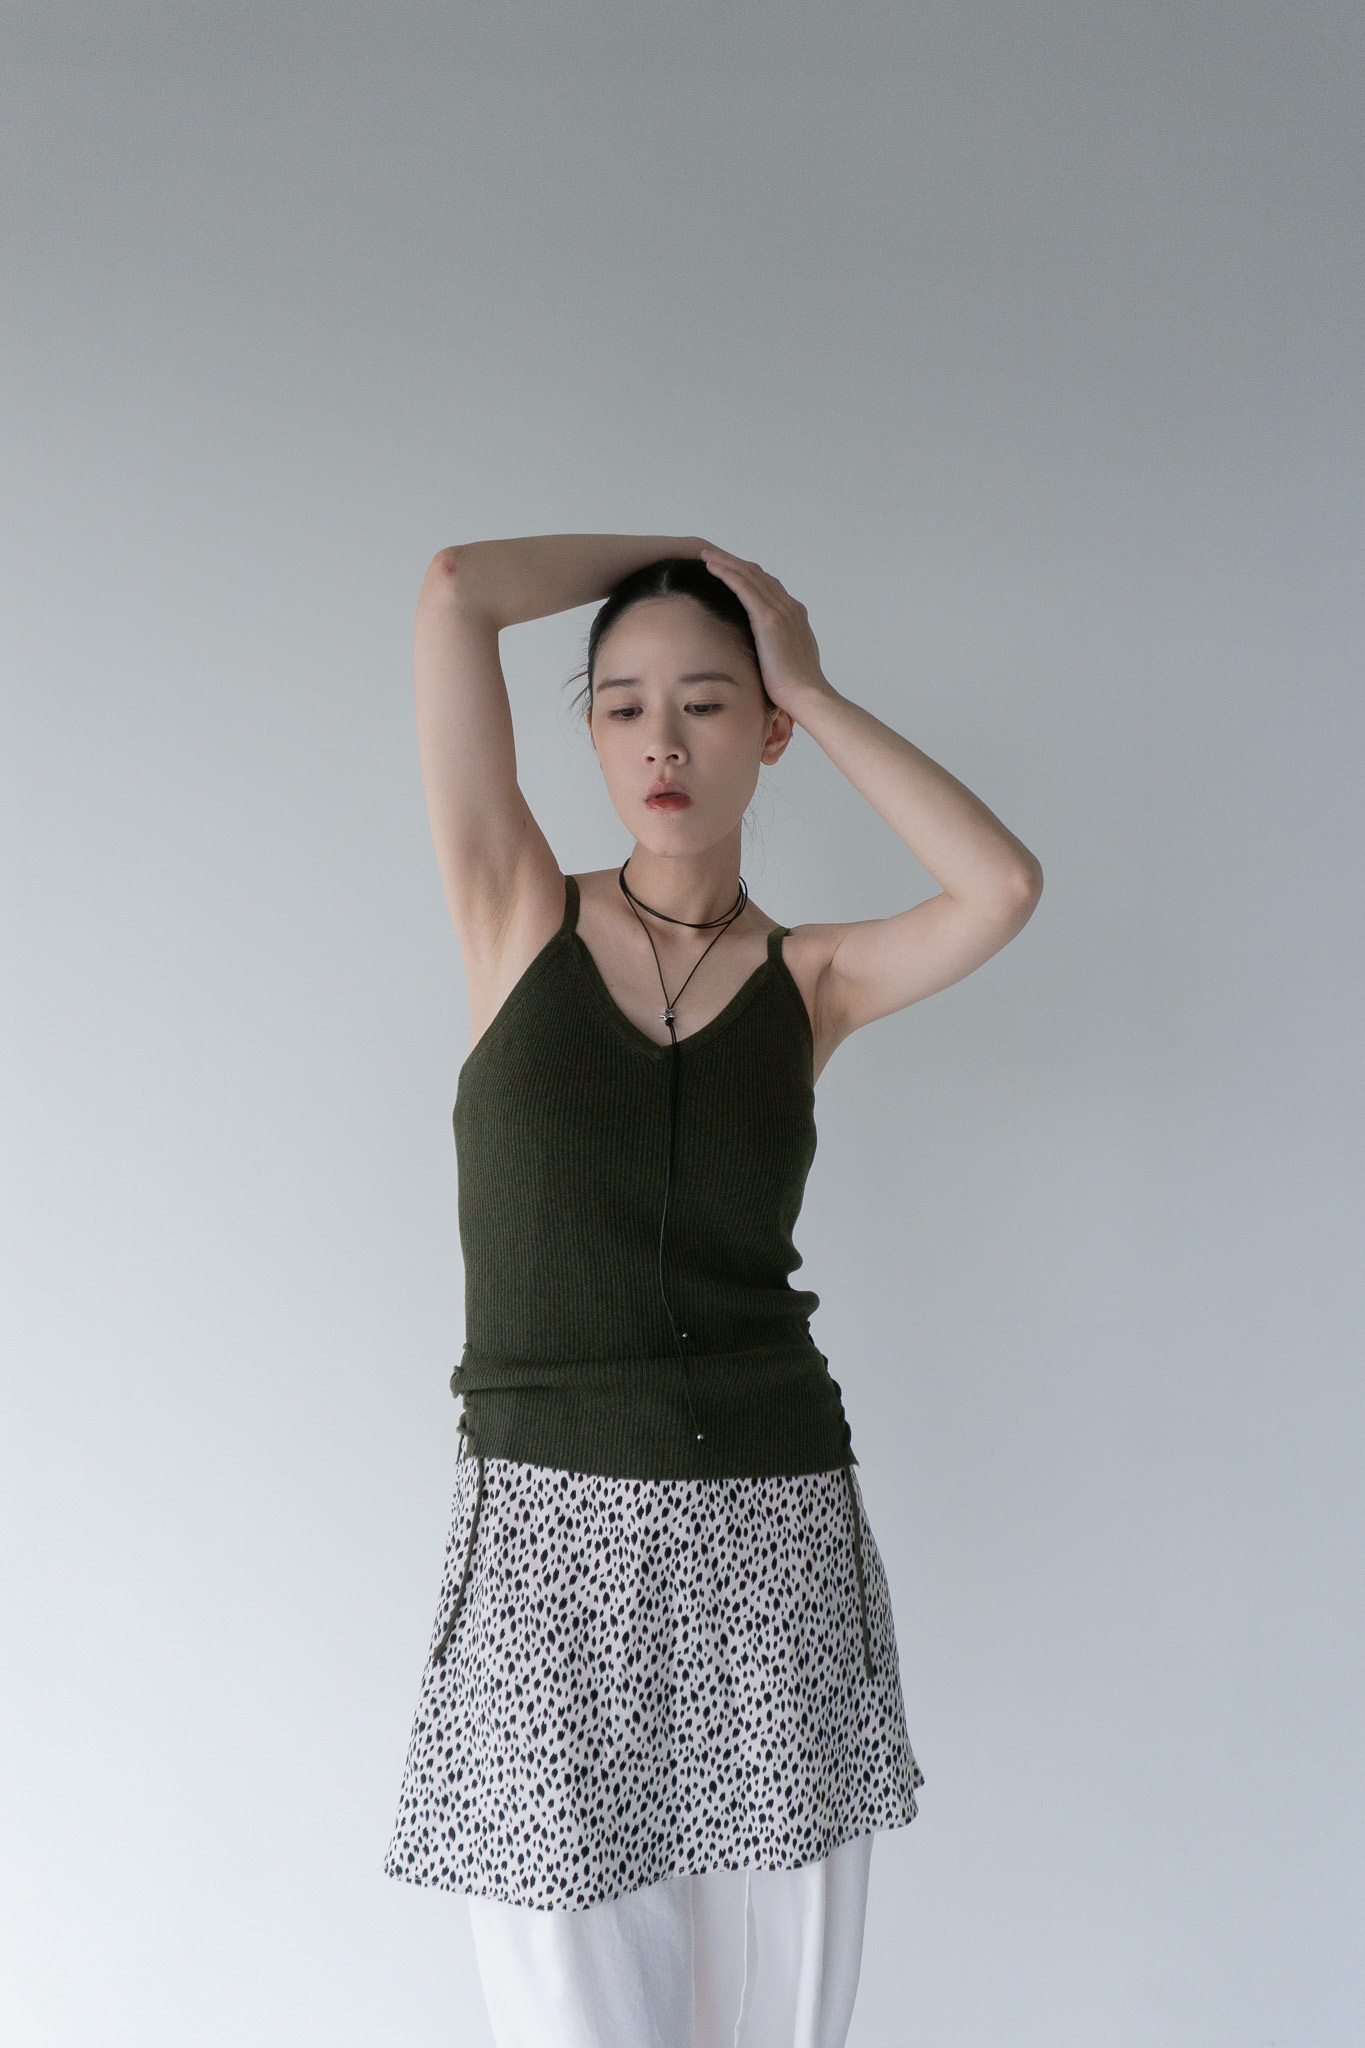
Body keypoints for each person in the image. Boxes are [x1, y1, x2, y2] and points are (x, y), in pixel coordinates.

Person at [384, 535, 1043, 2048]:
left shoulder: (813, 980)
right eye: (622, 707)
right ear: (592, 735)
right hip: (547, 1554)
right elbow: (455, 591)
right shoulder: (515, 916)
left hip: (772, 1537)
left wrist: (804, 665)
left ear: (771, 732)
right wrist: (686, 548)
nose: (663, 743)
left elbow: (1001, 885)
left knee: (772, 2029)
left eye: (708, 702)